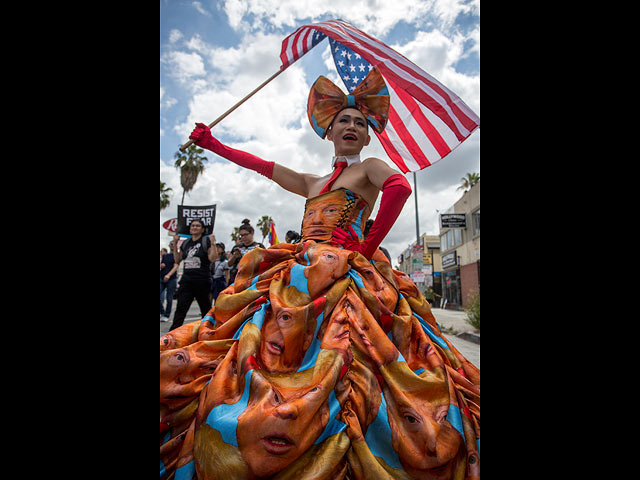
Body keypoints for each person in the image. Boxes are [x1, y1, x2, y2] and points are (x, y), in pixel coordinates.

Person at [160, 68, 480, 479]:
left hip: (350, 273)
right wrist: (213, 144)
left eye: (360, 123)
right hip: (302, 267)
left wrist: (364, 246)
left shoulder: (368, 169)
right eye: (343, 120)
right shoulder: (312, 181)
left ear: (368, 137)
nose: (351, 126)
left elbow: (399, 187)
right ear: (329, 131)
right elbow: (262, 166)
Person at [168, 219, 217, 331]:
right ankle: (172, 336)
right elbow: (177, 260)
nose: (194, 227)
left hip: (202, 281)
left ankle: (208, 333)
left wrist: (213, 243)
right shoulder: (186, 243)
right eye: (193, 225)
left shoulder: (206, 241)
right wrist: (175, 244)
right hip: (187, 281)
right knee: (180, 310)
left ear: (203, 229)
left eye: (197, 226)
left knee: (205, 310)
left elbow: (212, 259)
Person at [160, 241, 179, 322]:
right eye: (171, 244)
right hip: (162, 277)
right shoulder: (165, 256)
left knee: (169, 298)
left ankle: (167, 315)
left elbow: (176, 266)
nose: (172, 245)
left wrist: (169, 275)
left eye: (173, 244)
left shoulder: (176, 256)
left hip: (171, 279)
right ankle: (162, 312)